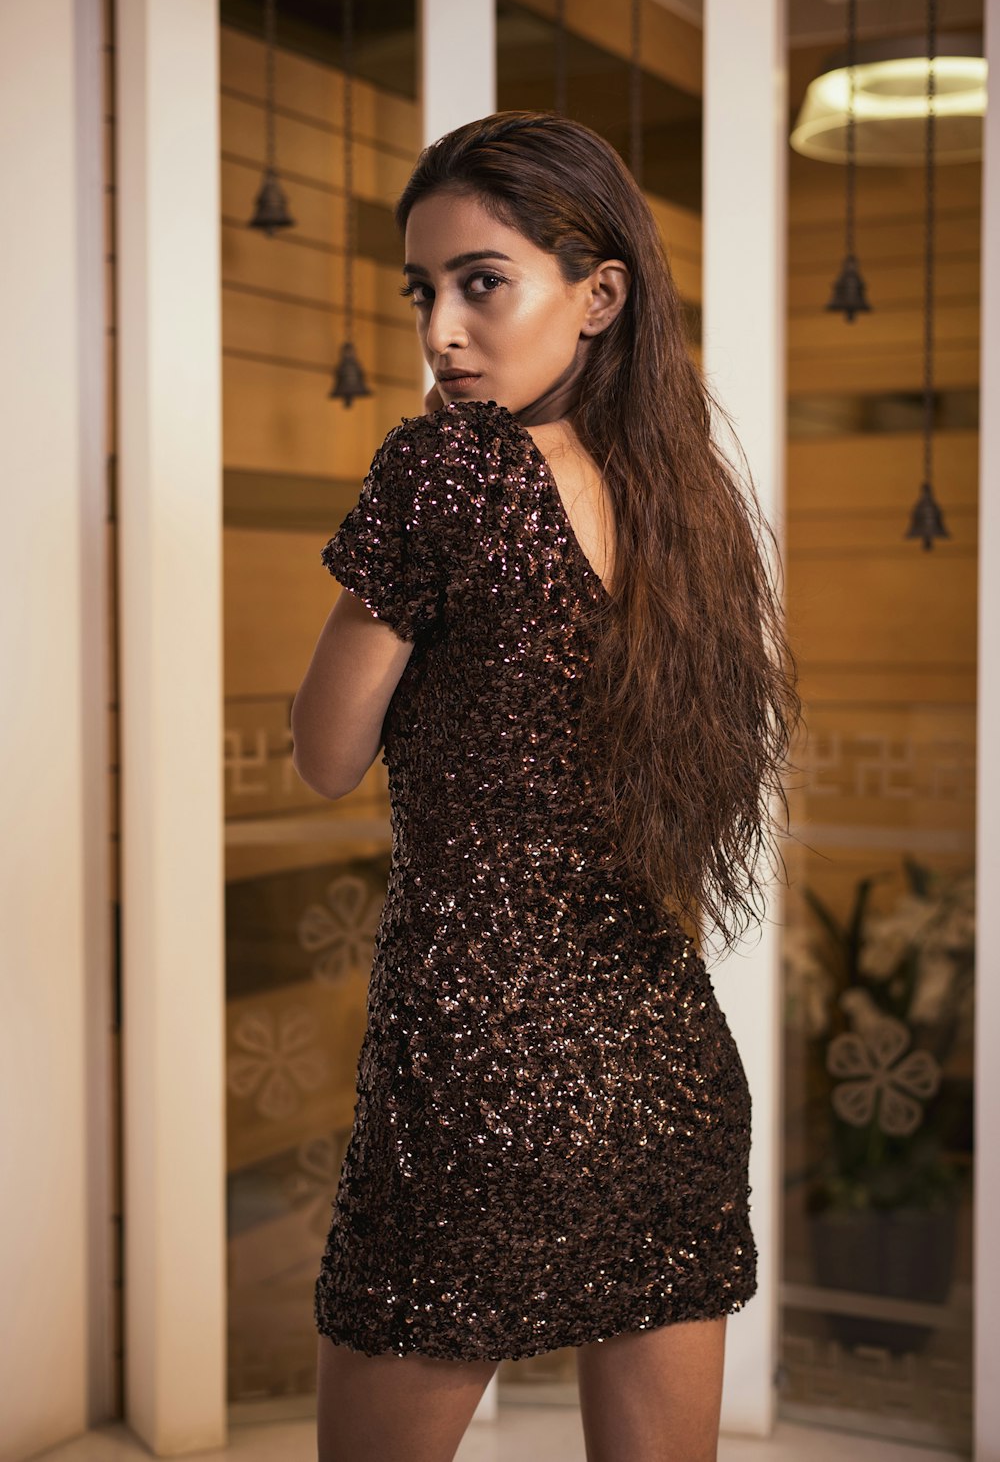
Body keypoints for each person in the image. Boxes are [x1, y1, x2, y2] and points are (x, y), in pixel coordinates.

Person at [291, 110, 802, 1462]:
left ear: (598, 295)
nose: (442, 331)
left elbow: (326, 751)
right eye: (424, 290)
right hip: (664, 1079)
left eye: (481, 282)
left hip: (473, 1081)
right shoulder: (688, 508)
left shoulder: (444, 473)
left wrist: (393, 549)